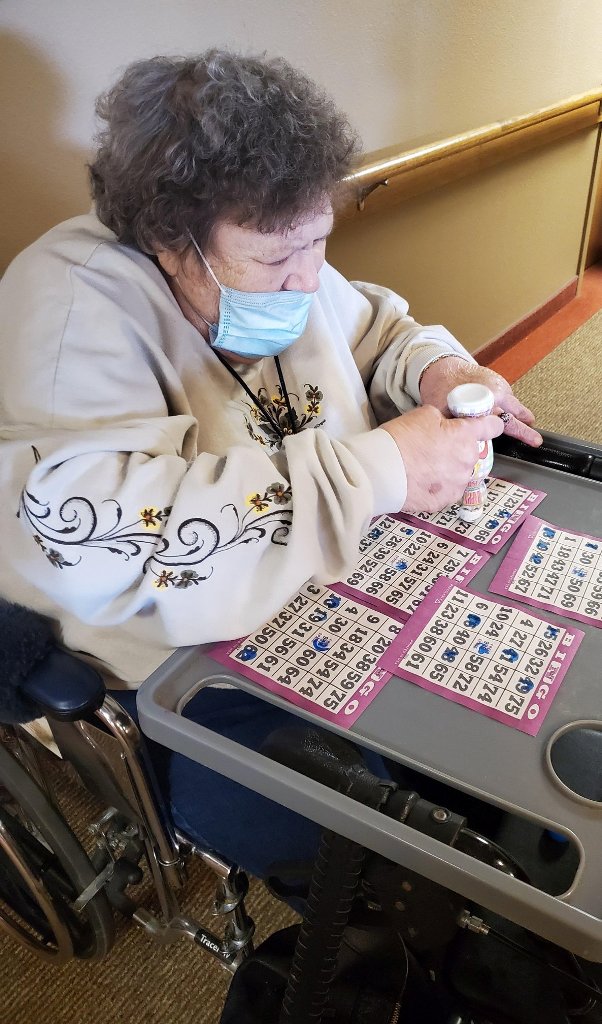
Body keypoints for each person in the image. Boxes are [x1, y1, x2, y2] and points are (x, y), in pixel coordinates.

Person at [0, 51, 542, 879]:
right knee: (373, 840)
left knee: (492, 738)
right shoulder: (69, 305)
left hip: (334, 589)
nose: (307, 280)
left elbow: (379, 332)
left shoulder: (284, 259)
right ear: (168, 239)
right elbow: (115, 545)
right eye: (275, 259)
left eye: (319, 241)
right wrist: (380, 471)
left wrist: (439, 368)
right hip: (184, 663)